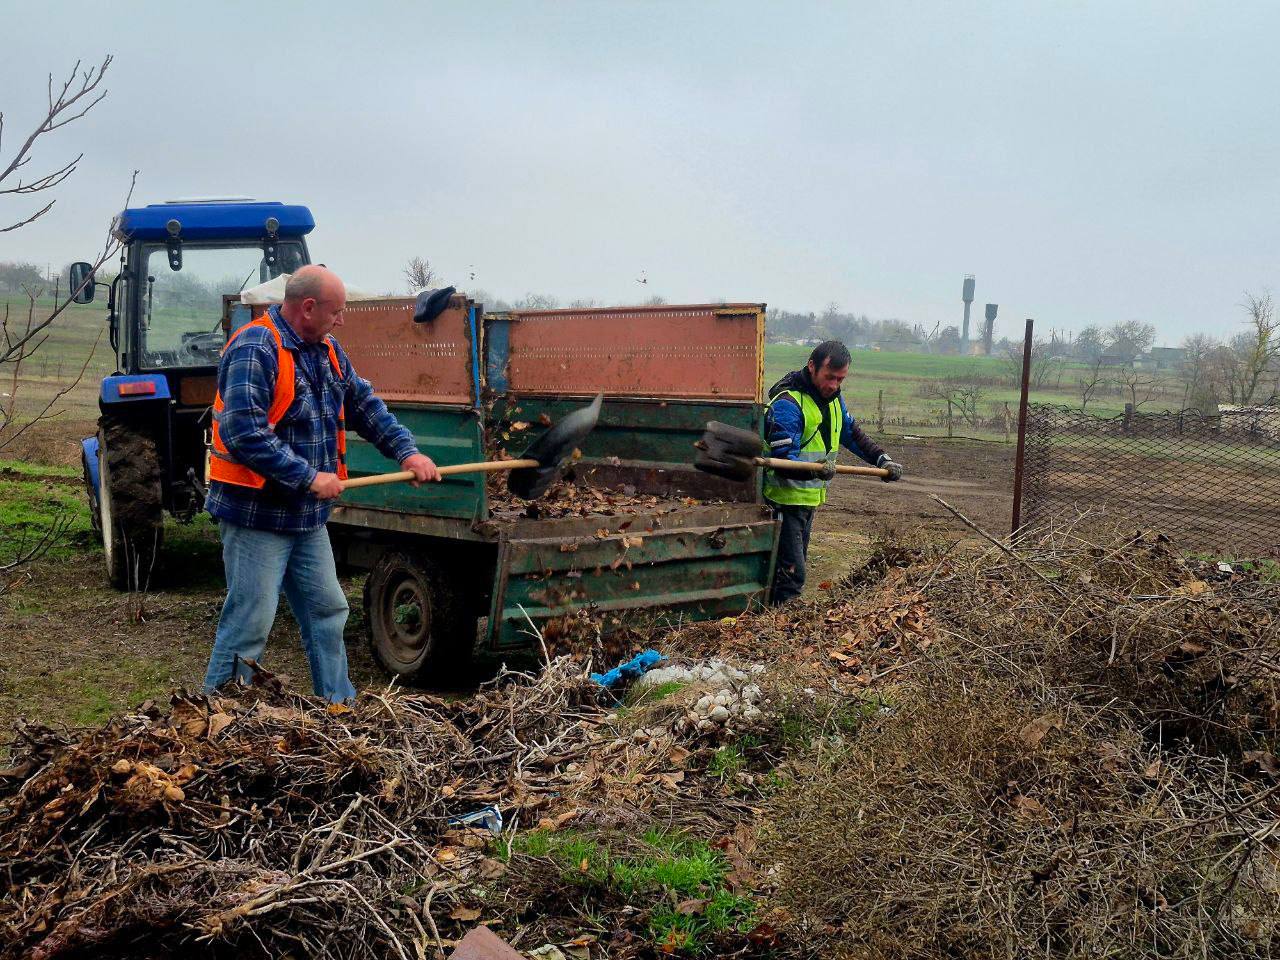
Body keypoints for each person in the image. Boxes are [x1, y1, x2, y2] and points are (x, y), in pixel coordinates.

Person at [201, 265, 440, 702]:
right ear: (308, 307)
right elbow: (243, 433)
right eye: (337, 311)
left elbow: (366, 405)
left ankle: (338, 707)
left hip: (305, 518)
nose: (342, 320)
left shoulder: (326, 348)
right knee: (250, 621)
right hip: (258, 516)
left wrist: (407, 451)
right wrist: (308, 477)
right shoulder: (256, 348)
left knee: (328, 610)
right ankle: (217, 719)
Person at [764, 340, 903, 604]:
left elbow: (853, 435)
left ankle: (777, 620)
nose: (833, 385)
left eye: (840, 380)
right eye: (829, 378)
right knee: (792, 575)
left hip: (806, 501)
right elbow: (783, 461)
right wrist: (816, 473)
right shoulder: (788, 404)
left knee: (793, 567)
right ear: (812, 366)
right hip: (783, 502)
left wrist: (882, 460)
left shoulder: (834, 401)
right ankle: (777, 627)